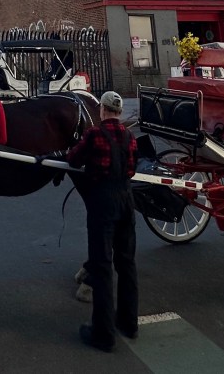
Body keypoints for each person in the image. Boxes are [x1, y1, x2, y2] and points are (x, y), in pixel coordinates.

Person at [66, 89, 138, 352]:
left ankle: (103, 333)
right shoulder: (130, 137)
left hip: (103, 201)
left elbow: (73, 159)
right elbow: (131, 168)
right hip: (126, 199)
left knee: (102, 265)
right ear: (118, 112)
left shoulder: (94, 135)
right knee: (127, 263)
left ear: (102, 110)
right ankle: (129, 322)